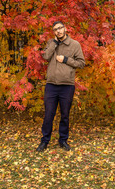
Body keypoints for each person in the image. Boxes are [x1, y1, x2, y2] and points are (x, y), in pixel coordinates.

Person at [36, 21, 85, 152]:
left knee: (65, 115)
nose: (58, 31)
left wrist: (65, 59)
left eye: (60, 28)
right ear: (54, 32)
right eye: (55, 29)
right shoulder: (51, 43)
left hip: (67, 86)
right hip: (51, 85)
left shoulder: (75, 45)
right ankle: (44, 141)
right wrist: (54, 44)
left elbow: (81, 63)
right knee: (48, 115)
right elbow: (45, 56)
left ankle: (63, 140)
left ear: (65, 28)